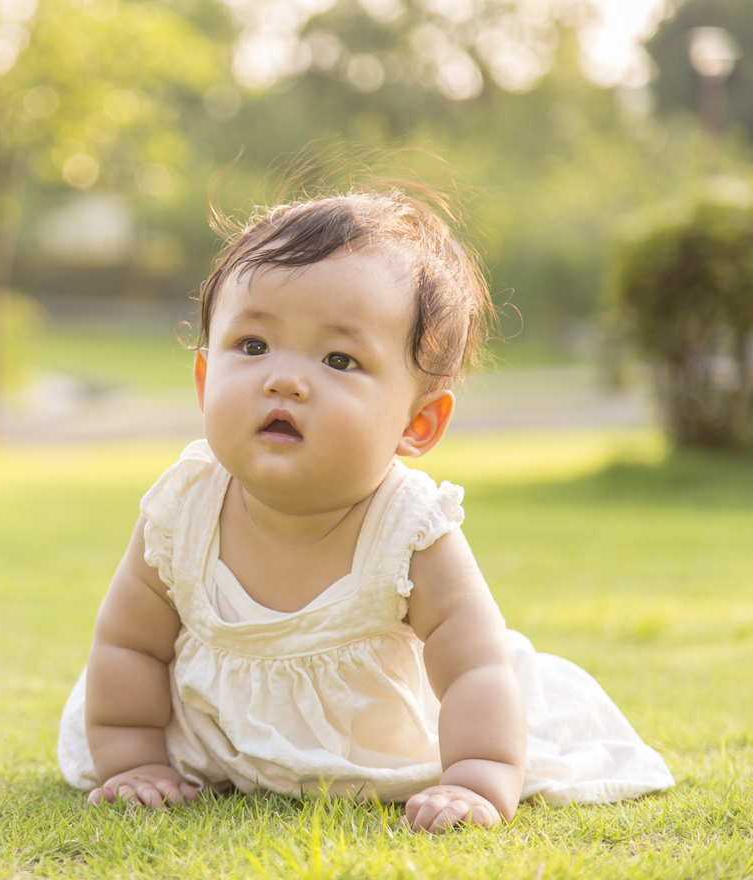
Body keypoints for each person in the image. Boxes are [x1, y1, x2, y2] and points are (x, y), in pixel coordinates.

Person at [56, 189, 674, 833]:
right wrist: (133, 760)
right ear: (206, 380)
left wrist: (474, 778)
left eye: (339, 359)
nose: (285, 380)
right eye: (254, 345)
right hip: (216, 736)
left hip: (380, 740)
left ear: (418, 422)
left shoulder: (409, 529)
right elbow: (128, 644)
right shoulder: (183, 508)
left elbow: (475, 665)